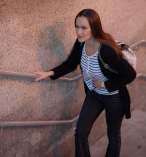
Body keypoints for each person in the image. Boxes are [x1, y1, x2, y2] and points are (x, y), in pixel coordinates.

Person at [35, 9, 136, 157]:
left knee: (113, 137)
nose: (79, 32)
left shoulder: (106, 50)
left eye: (83, 28)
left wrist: (105, 85)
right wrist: (49, 73)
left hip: (114, 98)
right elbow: (71, 63)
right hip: (94, 95)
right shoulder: (81, 44)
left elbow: (130, 74)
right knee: (81, 133)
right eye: (77, 26)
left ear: (94, 28)